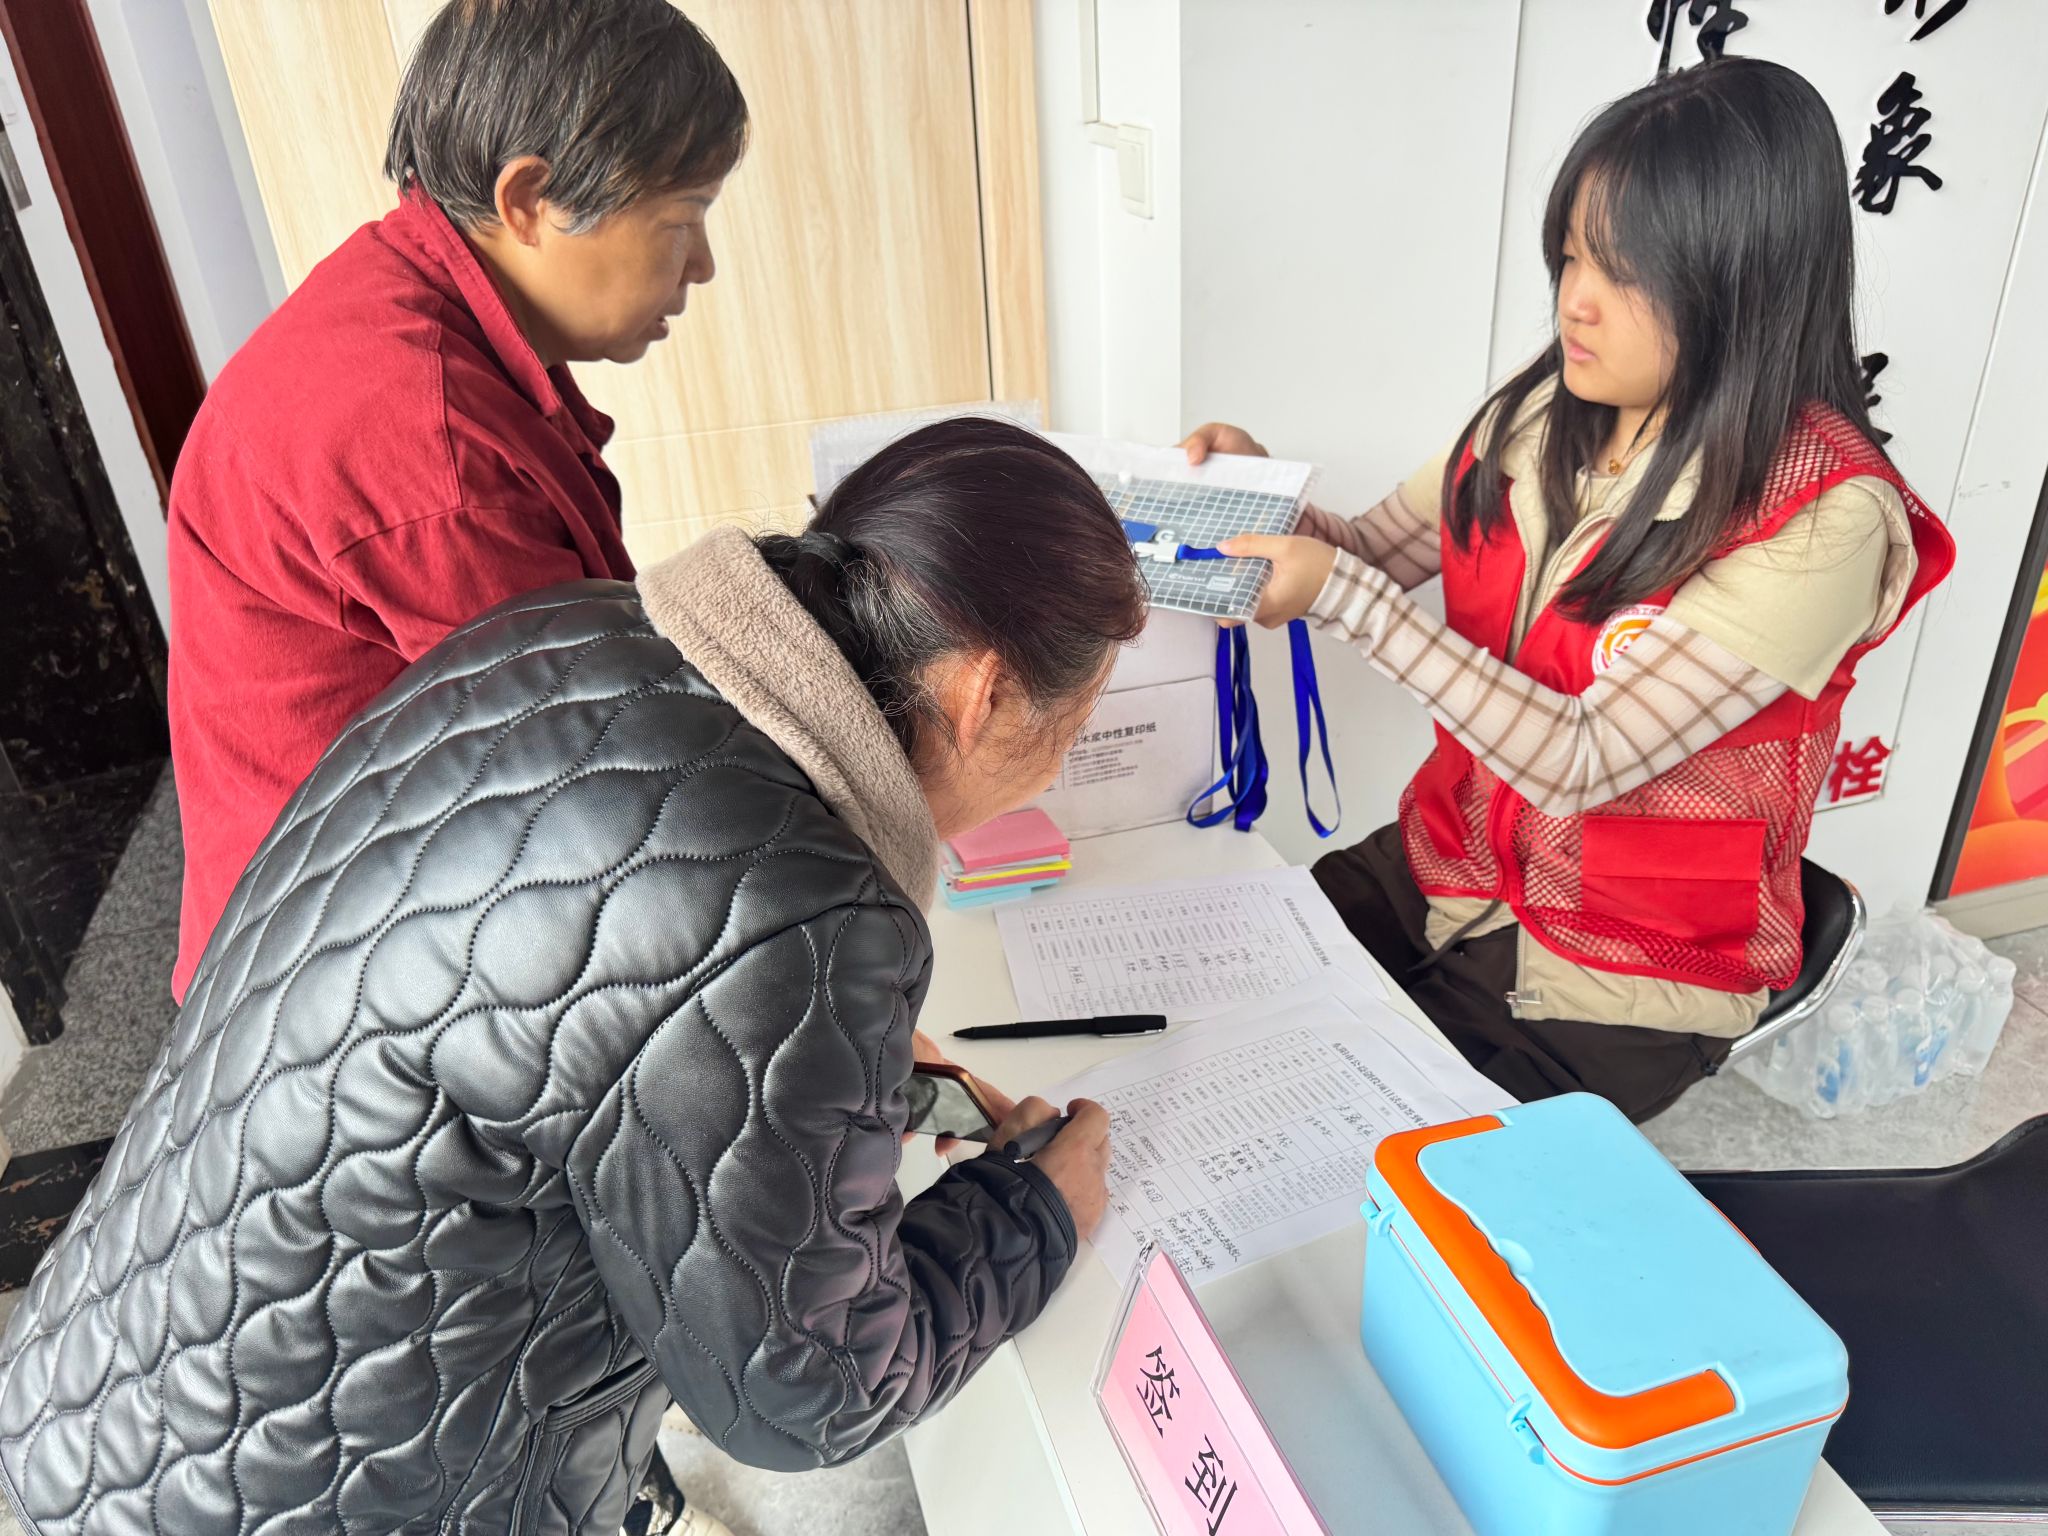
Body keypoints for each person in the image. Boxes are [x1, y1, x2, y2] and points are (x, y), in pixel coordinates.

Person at [0, 420, 1137, 1535]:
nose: (1056, 770)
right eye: (1072, 729)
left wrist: (812, 1072)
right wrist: (1028, 1213)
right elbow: (810, 1392)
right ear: (983, 695)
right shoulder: (797, 913)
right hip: (302, 1496)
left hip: (119, 1369)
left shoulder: (577, 630)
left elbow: (586, 1019)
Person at [1184, 58, 1954, 1122]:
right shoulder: (1546, 406)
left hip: (1628, 965)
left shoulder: (1826, 517)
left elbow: (1581, 761)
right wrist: (1263, 504)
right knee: (1210, 1011)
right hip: (1451, 865)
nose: (1574, 303)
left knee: (1352, 1142)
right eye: (1571, 255)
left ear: (1739, 283)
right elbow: (1369, 550)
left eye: (1623, 273)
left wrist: (1343, 596)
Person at [165, 0, 748, 1002]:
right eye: (681, 220)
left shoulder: (411, 298)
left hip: (375, 890)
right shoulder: (421, 437)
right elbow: (593, 784)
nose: (701, 264)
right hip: (329, 991)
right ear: (529, 199)